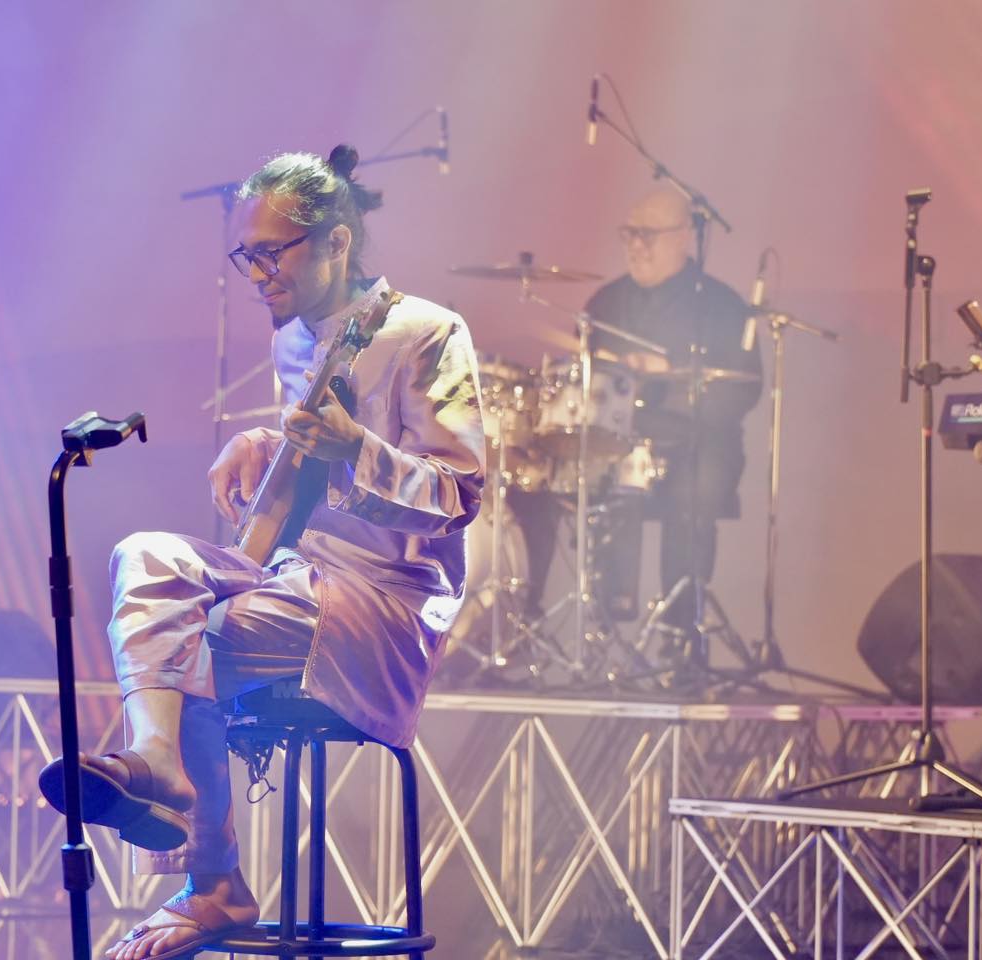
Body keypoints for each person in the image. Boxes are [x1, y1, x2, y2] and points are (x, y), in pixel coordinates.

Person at [40, 145, 484, 960]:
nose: (255, 275)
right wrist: (268, 438)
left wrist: (355, 449)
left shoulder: (426, 332)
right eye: (246, 255)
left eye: (270, 252)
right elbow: (301, 471)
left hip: (385, 600)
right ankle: (157, 758)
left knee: (200, 634)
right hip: (296, 577)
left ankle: (212, 881)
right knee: (145, 557)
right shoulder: (296, 341)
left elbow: (460, 497)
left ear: (337, 242)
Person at [583, 186, 762, 631]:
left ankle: (681, 633)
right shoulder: (604, 303)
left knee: (692, 493)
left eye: (648, 234)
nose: (636, 245)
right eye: (629, 234)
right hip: (618, 440)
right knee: (571, 483)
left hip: (698, 441)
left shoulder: (721, 305)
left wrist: (671, 373)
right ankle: (601, 628)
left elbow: (743, 389)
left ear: (685, 236)